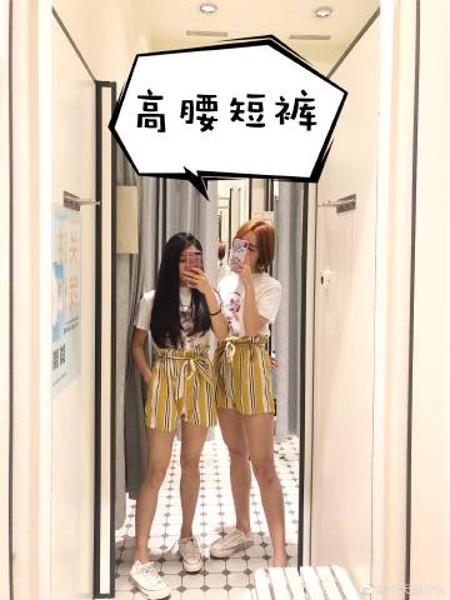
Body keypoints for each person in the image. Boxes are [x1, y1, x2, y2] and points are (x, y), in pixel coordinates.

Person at [129, 232, 228, 600]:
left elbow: (223, 334)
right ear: (172, 262)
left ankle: (187, 535)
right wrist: (152, 379)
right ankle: (141, 554)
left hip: (198, 377)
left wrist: (209, 292)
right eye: (185, 259)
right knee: (157, 469)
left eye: (197, 258)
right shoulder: (153, 300)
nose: (192, 265)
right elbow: (137, 346)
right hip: (166, 376)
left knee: (191, 462)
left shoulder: (207, 298)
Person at [209, 219, 287, 567]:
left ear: (263, 253)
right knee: (236, 453)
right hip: (225, 363)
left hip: (253, 365)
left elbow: (253, 326)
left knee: (263, 462)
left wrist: (247, 284)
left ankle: (280, 549)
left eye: (250, 247)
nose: (242, 251)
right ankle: (243, 528)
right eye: (239, 243)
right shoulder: (224, 281)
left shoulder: (271, 286)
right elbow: (222, 330)